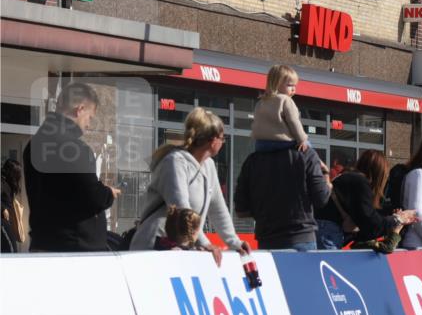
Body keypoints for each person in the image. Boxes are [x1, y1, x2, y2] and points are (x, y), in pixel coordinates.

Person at [132, 108, 248, 263]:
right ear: (213, 141)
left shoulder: (209, 165)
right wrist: (205, 243)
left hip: (180, 247)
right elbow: (181, 208)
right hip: (155, 245)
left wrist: (235, 243)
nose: (223, 142)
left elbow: (218, 210)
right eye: (222, 138)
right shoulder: (175, 162)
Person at [23, 82, 121, 252]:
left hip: (42, 244)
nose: (89, 125)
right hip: (72, 250)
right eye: (90, 117)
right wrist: (108, 193)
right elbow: (92, 196)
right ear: (80, 109)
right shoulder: (73, 149)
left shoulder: (33, 145)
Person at [234, 130, 330, 252]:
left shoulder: (252, 161)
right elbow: (321, 199)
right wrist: (326, 175)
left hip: (267, 240)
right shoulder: (307, 155)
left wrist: (263, 211)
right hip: (301, 238)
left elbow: (241, 211)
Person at [315, 150, 417, 250]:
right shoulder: (360, 182)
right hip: (329, 234)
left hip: (321, 229)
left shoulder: (346, 177)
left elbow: (366, 219)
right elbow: (372, 226)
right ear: (379, 174)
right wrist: (398, 219)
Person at [251, 65, 310, 153]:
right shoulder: (285, 100)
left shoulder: (261, 102)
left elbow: (257, 122)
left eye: (295, 86)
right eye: (290, 85)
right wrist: (302, 139)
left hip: (261, 144)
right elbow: (294, 122)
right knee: (309, 146)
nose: (293, 89)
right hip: (282, 143)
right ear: (277, 84)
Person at [1, 159, 25, 253]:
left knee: (7, 250)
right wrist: (2, 209)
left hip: (6, 220)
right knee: (12, 250)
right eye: (17, 173)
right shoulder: (2, 182)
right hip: (2, 221)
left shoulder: (8, 182)